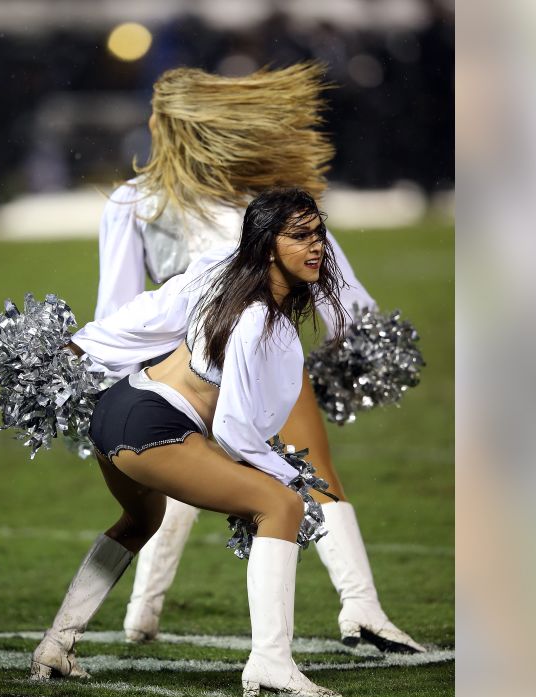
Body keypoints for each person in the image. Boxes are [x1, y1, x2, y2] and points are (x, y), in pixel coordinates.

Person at [97, 62, 425, 653]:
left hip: (179, 362)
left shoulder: (132, 201)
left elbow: (118, 305)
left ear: (169, 126)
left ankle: (140, 616)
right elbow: (334, 277)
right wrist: (355, 334)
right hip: (260, 342)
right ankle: (362, 609)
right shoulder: (260, 197)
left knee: (185, 480)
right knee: (307, 471)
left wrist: (117, 379)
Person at [31, 188, 345, 697]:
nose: (316, 247)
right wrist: (287, 475)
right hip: (154, 428)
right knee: (279, 505)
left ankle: (56, 644)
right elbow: (234, 431)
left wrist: (83, 346)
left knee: (141, 521)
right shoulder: (259, 319)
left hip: (116, 408)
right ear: (268, 246)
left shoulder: (218, 272)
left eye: (318, 233)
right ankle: (271, 662)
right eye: (299, 236)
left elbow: (151, 311)